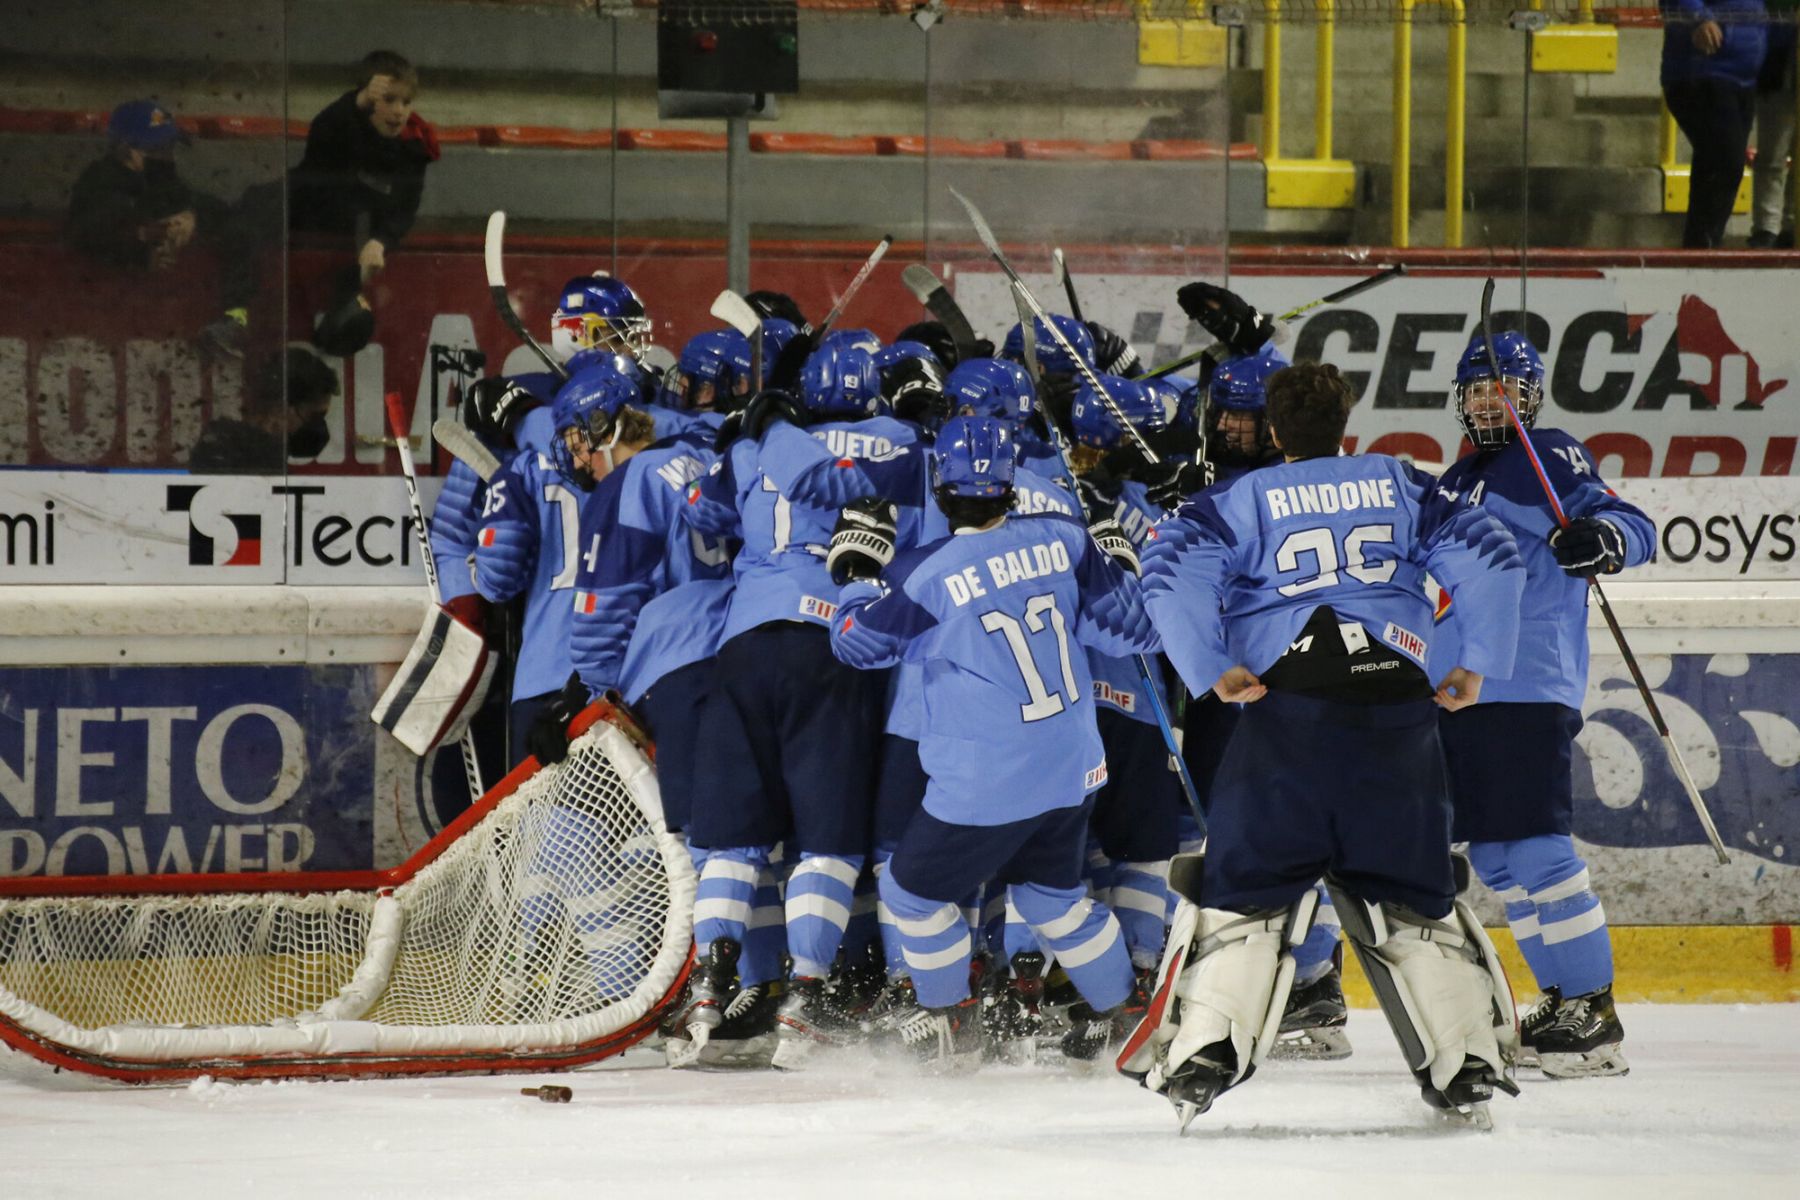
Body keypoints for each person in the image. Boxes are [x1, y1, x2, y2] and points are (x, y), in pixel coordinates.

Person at [1127, 361, 1528, 1128]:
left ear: (1275, 433)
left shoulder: (1238, 498)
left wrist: (1212, 671)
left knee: (1244, 894)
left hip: (1290, 719)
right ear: (1345, 426)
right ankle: (1467, 1058)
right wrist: (1479, 663)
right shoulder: (1406, 483)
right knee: (1414, 898)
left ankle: (1206, 1051)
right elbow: (1492, 554)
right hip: (1398, 716)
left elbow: (1167, 571)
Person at [829, 415, 1159, 1066]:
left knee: (910, 892)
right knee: (1052, 897)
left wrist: (855, 579)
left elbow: (856, 646)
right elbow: (1135, 632)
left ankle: (950, 1022)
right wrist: (1126, 566)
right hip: (1071, 765)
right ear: (1010, 488)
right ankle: (1126, 1014)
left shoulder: (927, 574)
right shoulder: (1064, 540)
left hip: (986, 782)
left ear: (942, 490)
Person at [676, 340, 922, 1068]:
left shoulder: (759, 447)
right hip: (832, 642)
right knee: (830, 841)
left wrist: (738, 437)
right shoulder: (900, 439)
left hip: (745, 643)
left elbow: (703, 512)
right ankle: (807, 995)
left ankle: (710, 984)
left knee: (733, 839)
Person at [1432, 331, 1656, 1080]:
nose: (1493, 401)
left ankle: (1593, 1007)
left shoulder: (1547, 454)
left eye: (1507, 389)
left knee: (1534, 846)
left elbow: (1631, 523)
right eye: (1480, 390)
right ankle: (1561, 1000)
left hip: (1524, 682)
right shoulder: (1459, 476)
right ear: (1461, 400)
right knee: (1496, 857)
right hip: (1467, 689)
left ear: (1529, 398)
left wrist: (1604, 537)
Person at [206, 51, 440, 356]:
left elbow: (404, 208)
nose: (399, 112)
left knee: (355, 304)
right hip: (300, 198)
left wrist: (381, 241)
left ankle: (332, 328)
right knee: (240, 224)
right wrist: (358, 103)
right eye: (389, 100)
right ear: (367, 99)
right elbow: (319, 145)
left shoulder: (413, 148)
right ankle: (236, 317)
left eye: (406, 102)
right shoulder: (342, 122)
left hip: (348, 223)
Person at [474, 364, 640, 763]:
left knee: (546, 823)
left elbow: (497, 578)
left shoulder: (523, 468)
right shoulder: (646, 467)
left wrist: (473, 566)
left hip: (542, 676)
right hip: (627, 678)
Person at [1660, 0, 1769, 248]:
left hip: (1743, 79)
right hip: (1701, 74)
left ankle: (1698, 252)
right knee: (1726, 162)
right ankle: (1703, 250)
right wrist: (1698, 18)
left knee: (1714, 166)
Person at [66, 100, 218, 275]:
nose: (167, 155)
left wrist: (191, 217)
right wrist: (142, 245)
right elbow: (92, 233)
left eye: (170, 147)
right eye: (157, 148)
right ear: (125, 150)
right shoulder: (99, 182)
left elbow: (208, 205)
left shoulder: (158, 177)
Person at [188, 345, 337, 472]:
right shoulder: (256, 464)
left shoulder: (221, 443)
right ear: (282, 409)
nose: (317, 425)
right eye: (313, 416)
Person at [1750, 3, 1797, 248]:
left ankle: (1791, 223)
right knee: (1772, 154)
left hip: (1779, 61)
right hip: (1777, 66)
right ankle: (1767, 227)